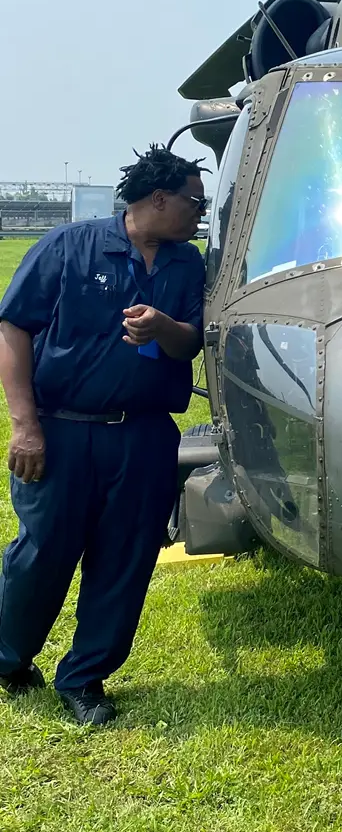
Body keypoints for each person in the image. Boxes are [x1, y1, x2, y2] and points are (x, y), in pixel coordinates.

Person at [0, 145, 206, 725]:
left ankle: (85, 678)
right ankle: (9, 658)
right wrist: (24, 425)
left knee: (126, 558)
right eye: (195, 202)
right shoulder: (70, 247)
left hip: (143, 437)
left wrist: (165, 328)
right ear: (158, 198)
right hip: (62, 433)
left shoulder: (187, 264)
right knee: (41, 552)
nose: (200, 214)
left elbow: (190, 343)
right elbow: (13, 329)